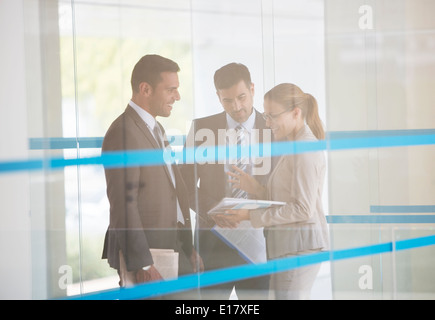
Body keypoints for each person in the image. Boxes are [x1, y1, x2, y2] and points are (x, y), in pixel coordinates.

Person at [101, 54, 203, 297]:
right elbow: (123, 207)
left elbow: (172, 188)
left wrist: (187, 247)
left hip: (172, 246)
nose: (177, 97)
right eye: (170, 90)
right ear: (145, 89)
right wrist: (143, 264)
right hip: (148, 256)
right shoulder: (123, 133)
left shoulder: (156, 128)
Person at [219, 83, 329, 300]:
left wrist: (250, 215)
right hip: (290, 247)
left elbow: (302, 209)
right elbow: (286, 199)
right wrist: (256, 188)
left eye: (272, 116)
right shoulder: (292, 145)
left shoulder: (304, 151)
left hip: (299, 248)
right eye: (266, 116)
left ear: (296, 113)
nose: (267, 123)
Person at [180, 62, 274, 300]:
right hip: (213, 244)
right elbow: (184, 186)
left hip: (259, 243)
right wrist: (212, 210)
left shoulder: (274, 128)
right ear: (218, 97)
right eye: (228, 100)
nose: (237, 107)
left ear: (252, 89)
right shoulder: (202, 128)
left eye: (242, 97)